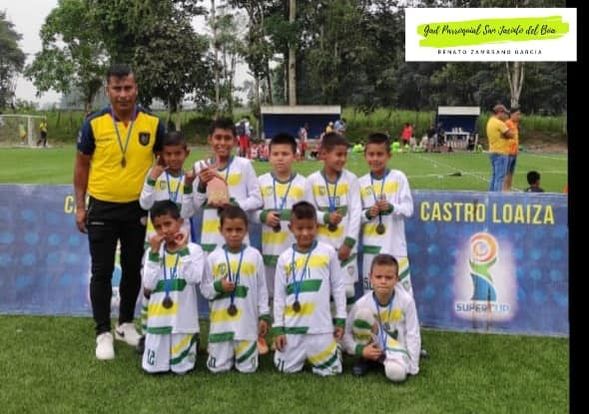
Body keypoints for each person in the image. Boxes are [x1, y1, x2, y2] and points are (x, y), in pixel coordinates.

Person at [74, 64, 165, 360]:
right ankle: (102, 332)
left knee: (132, 267)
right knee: (101, 270)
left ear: (136, 89)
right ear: (108, 90)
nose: (123, 94)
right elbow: (81, 165)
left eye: (128, 88)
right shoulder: (94, 123)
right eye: (117, 88)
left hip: (137, 208)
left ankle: (125, 324)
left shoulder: (153, 123)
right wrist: (80, 205)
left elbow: (167, 160)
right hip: (101, 205)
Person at [272, 201, 346, 376]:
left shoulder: (328, 252)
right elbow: (279, 296)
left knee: (331, 371)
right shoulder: (284, 258)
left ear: (317, 227)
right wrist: (278, 328)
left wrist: (341, 317)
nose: (305, 233)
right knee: (285, 369)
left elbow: (338, 286)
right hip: (293, 327)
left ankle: (333, 349)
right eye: (300, 228)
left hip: (320, 327)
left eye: (310, 228)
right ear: (291, 228)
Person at [137, 130, 192, 353]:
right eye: (168, 154)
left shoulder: (189, 177)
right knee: (150, 288)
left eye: (177, 153)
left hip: (179, 243)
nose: (173, 158)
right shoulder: (155, 175)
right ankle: (146, 333)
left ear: (186, 153)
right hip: (155, 243)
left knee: (178, 287)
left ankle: (179, 332)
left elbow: (188, 211)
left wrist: (189, 185)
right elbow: (144, 203)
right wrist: (151, 178)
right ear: (161, 155)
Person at [200, 206, 270, 373]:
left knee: (248, 369)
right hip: (221, 324)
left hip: (246, 324)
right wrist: (218, 286)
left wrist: (264, 315)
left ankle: (248, 349)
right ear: (220, 230)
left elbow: (262, 288)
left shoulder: (254, 256)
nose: (234, 234)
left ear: (246, 230)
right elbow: (205, 290)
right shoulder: (213, 257)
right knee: (216, 369)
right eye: (229, 230)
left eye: (239, 230)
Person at [182, 118, 262, 254]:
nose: (222, 143)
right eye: (218, 138)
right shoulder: (200, 166)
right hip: (210, 240)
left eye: (227, 138)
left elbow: (257, 199)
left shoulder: (244, 165)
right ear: (210, 139)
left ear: (235, 141)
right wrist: (202, 185)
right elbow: (194, 207)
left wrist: (234, 205)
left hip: (238, 240)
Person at [141, 201, 204, 374]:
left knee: (181, 369)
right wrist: (154, 254)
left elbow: (194, 278)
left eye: (168, 224)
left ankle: (190, 344)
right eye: (158, 227)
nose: (164, 230)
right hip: (158, 321)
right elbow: (149, 284)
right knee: (153, 369)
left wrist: (183, 251)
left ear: (180, 222)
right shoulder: (152, 252)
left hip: (183, 322)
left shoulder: (194, 250)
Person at [342, 254, 421, 382]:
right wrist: (360, 350)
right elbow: (346, 332)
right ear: (371, 278)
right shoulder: (361, 303)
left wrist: (413, 365)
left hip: (396, 347)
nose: (383, 281)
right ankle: (365, 359)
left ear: (397, 279)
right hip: (371, 346)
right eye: (378, 277)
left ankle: (389, 361)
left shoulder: (406, 301)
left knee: (396, 374)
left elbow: (413, 333)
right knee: (363, 315)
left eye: (388, 277)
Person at [304, 132, 361, 304]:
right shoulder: (312, 181)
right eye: (338, 154)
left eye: (345, 155)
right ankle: (327, 322)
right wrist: (325, 217)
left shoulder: (351, 179)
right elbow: (308, 212)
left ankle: (347, 323)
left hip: (346, 247)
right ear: (324, 154)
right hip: (322, 246)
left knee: (348, 291)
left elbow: (356, 213)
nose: (342, 159)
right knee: (324, 291)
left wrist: (349, 243)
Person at [359, 133, 414, 295]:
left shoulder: (399, 178)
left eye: (380, 154)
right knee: (372, 295)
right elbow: (355, 218)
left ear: (389, 155)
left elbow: (408, 209)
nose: (375, 158)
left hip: (395, 247)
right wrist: (368, 214)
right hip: (372, 248)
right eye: (371, 154)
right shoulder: (360, 183)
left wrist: (392, 208)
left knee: (404, 295)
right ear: (365, 156)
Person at [255, 133, 306, 303]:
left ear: (294, 156)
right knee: (272, 294)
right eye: (275, 154)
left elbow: (310, 214)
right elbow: (250, 213)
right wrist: (263, 216)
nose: (280, 158)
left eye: (285, 154)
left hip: (295, 249)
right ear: (268, 156)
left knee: (293, 292)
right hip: (270, 250)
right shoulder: (261, 182)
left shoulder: (303, 183)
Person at [486, 104, 514, 192]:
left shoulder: (490, 121)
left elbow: (505, 134)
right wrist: (507, 133)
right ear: (500, 112)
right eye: (505, 114)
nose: (506, 116)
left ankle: (491, 195)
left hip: (493, 151)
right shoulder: (499, 123)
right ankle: (496, 198)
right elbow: (511, 134)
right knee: (500, 178)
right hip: (501, 152)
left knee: (494, 176)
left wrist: (504, 135)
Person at [504, 107, 521, 191]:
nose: (519, 116)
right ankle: (504, 190)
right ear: (511, 114)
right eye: (517, 114)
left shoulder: (515, 124)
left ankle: (509, 189)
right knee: (506, 173)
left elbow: (515, 138)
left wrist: (517, 149)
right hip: (508, 153)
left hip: (514, 153)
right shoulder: (507, 123)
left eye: (519, 114)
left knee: (511, 173)